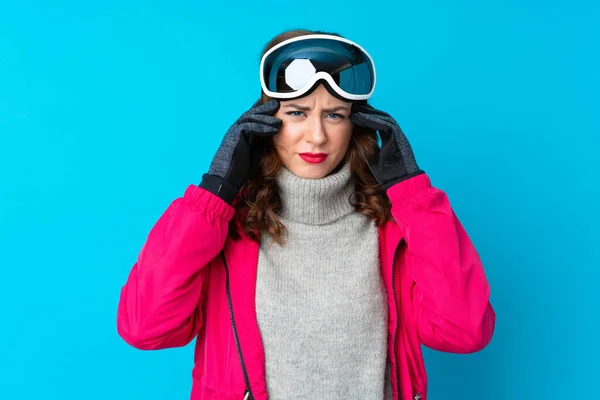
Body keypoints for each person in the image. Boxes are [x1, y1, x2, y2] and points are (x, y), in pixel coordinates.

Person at [116, 29, 495, 400]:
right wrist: (215, 192)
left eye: (334, 115)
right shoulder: (224, 227)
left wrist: (413, 192)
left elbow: (463, 332)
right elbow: (146, 328)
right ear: (265, 121)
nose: (316, 136)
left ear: (357, 124)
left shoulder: (394, 227)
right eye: (297, 113)